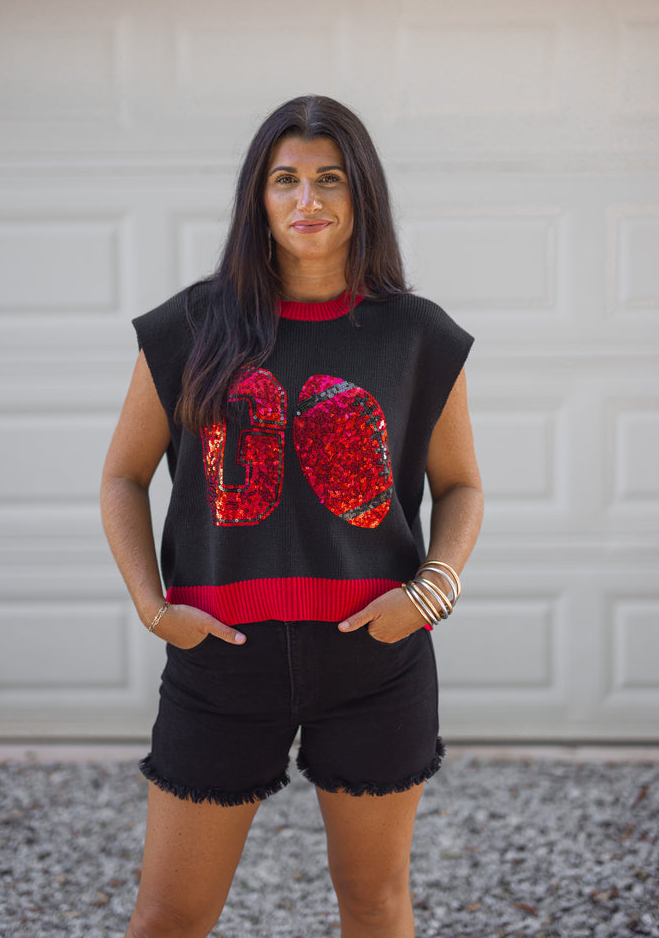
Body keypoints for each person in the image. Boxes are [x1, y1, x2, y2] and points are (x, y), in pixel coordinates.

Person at [100, 94, 484, 938]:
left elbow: (462, 487)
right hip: (221, 660)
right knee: (167, 914)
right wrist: (152, 603)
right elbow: (123, 476)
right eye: (286, 180)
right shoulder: (191, 325)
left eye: (329, 178)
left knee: (375, 903)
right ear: (258, 198)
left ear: (362, 196)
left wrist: (431, 590)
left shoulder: (417, 335)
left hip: (374, 657)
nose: (307, 200)